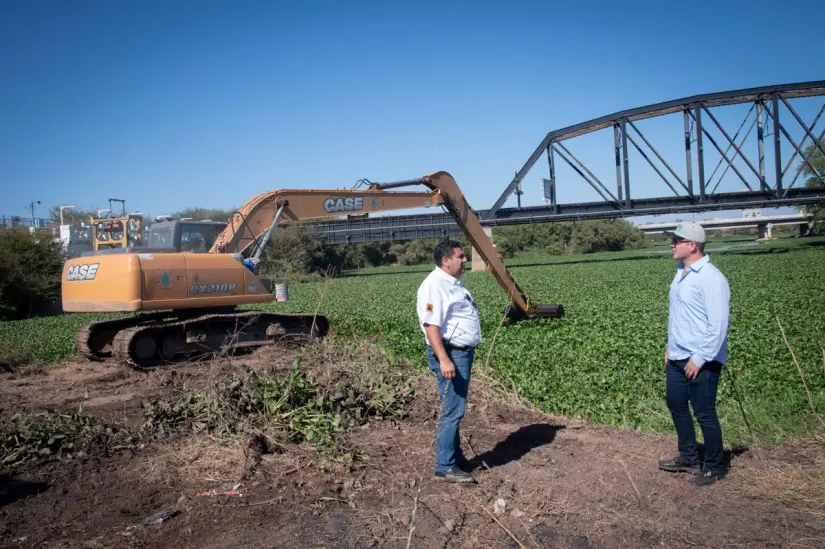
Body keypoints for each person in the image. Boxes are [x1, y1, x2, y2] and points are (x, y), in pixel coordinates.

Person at [658, 221, 730, 486]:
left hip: (702, 359)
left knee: (704, 412)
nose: (672, 245)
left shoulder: (711, 278)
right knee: (676, 405)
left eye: (676, 241)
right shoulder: (680, 273)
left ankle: (714, 466)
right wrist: (670, 346)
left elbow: (718, 324)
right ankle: (688, 457)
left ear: (692, 245)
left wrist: (699, 358)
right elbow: (680, 316)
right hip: (677, 356)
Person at [416, 239, 481, 483]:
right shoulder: (435, 285)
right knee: (452, 410)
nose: (465, 260)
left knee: (455, 407)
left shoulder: (451, 283)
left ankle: (456, 457)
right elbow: (431, 326)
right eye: (461, 256)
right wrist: (444, 359)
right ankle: (444, 465)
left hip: (461, 353)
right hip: (451, 354)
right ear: (446, 261)